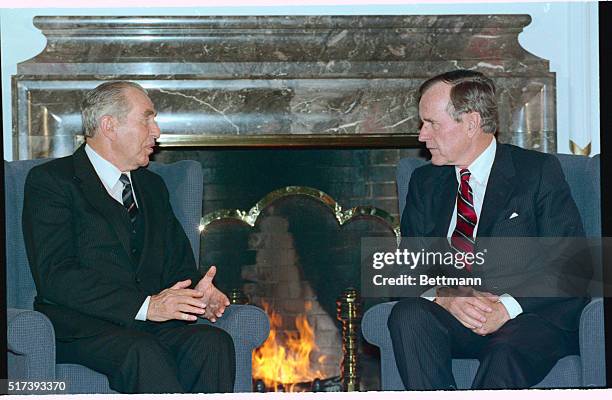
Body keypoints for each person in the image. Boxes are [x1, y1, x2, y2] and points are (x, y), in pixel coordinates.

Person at [22, 81, 235, 394]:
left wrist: (199, 295)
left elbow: (177, 265)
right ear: (110, 125)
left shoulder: (152, 187)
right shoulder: (52, 182)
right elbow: (56, 275)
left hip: (150, 325)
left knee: (212, 342)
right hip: (83, 327)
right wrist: (146, 305)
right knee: (142, 353)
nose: (157, 130)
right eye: (146, 119)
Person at [388, 70, 589, 389]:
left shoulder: (536, 173)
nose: (421, 136)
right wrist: (446, 297)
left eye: (432, 123)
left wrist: (506, 308)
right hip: (457, 317)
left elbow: (571, 265)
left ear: (470, 122)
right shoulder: (425, 182)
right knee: (408, 315)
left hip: (526, 318)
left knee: (505, 351)